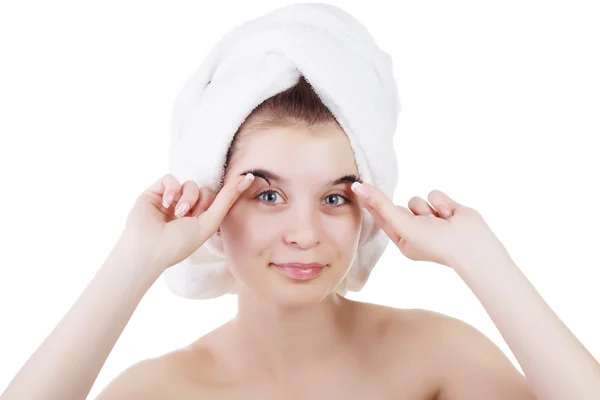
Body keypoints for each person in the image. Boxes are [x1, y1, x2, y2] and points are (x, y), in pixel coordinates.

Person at [2, 75, 599, 400]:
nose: (306, 234)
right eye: (267, 194)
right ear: (212, 200)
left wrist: (482, 259)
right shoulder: (157, 392)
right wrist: (132, 264)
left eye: (335, 197)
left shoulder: (437, 358)